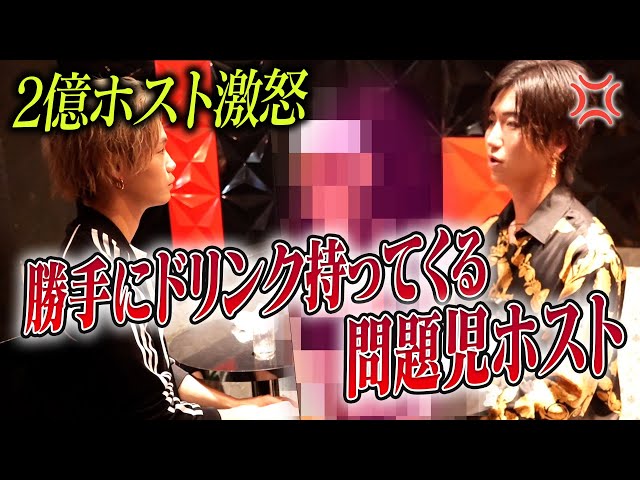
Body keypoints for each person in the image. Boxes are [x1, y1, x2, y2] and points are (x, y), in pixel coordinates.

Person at [27, 76, 292, 420]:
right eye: (159, 150)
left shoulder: (95, 245)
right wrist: (264, 415)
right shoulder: (104, 273)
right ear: (116, 167)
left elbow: (157, 372)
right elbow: (156, 416)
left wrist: (237, 405)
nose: (171, 163)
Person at [477, 60, 627, 420]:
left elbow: (562, 395)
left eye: (512, 123)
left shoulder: (590, 254)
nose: (492, 138)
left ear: (558, 141)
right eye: (492, 121)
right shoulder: (487, 234)